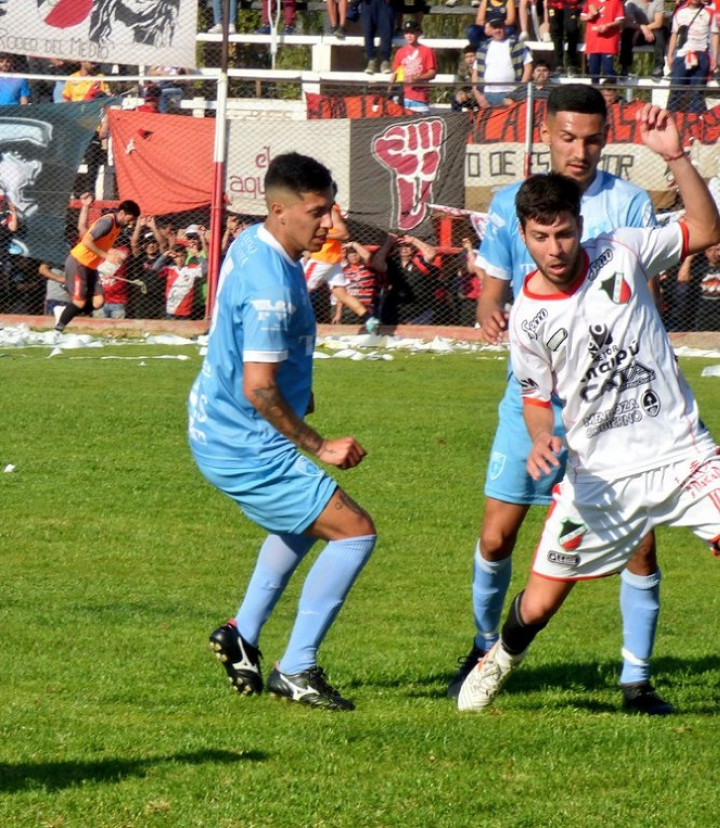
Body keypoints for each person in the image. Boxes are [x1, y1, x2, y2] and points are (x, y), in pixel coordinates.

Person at [456, 139, 720, 751]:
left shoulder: (622, 250)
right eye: (540, 238)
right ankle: (497, 662)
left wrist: (675, 159)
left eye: (564, 233)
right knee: (537, 606)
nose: (555, 248)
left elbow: (706, 228)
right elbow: (537, 398)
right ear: (524, 236)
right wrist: (542, 440)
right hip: (599, 478)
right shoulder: (527, 319)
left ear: (580, 226)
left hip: (684, 455)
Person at [451, 84, 669, 715]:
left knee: (641, 543)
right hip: (535, 402)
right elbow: (492, 287)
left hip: (617, 408)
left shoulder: (628, 204)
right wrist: (492, 314)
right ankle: (484, 648)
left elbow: (639, 291)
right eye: (569, 137)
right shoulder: (511, 204)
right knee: (496, 538)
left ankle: (637, 679)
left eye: (594, 139)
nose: (581, 150)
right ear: (545, 132)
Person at [189, 152, 377, 711]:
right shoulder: (270, 282)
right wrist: (320, 444)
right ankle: (296, 669)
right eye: (318, 212)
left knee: (302, 523)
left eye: (332, 210)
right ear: (280, 210)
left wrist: (302, 390)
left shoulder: (255, 240)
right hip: (243, 439)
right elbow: (260, 388)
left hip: (223, 425)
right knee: (355, 532)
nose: (331, 224)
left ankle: (240, 634)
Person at [55, 198, 141, 333]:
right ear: (123, 213)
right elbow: (87, 241)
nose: (131, 224)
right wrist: (106, 256)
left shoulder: (117, 226)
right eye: (131, 219)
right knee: (79, 303)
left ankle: (65, 311)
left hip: (91, 266)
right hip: (79, 262)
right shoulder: (108, 221)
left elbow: (99, 241)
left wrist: (112, 252)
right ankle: (57, 331)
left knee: (98, 302)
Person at [667, 0, 720, 113]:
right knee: (675, 91)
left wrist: (715, 57)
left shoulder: (710, 12)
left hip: (701, 55)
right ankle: (671, 120)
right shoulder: (680, 12)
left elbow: (715, 34)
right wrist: (670, 55)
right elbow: (674, 34)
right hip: (682, 55)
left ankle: (694, 123)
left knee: (697, 93)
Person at [679, 241, 720, 331]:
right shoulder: (699, 265)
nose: (713, 254)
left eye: (717, 250)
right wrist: (689, 258)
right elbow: (682, 278)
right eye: (709, 250)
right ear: (705, 252)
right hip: (703, 313)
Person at [474, 18, 533, 108]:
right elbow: (475, 73)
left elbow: (528, 67)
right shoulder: (483, 49)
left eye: (500, 27)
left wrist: (519, 91)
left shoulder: (517, 46)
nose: (497, 30)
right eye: (494, 28)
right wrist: (478, 96)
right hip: (488, 95)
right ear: (490, 29)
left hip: (511, 94)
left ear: (505, 27)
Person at [392, 20, 437, 113]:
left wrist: (418, 78)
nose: (409, 35)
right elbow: (395, 73)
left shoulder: (427, 51)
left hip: (419, 97)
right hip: (402, 96)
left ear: (418, 33)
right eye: (406, 32)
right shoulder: (400, 52)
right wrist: (391, 91)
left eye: (412, 32)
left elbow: (432, 73)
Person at [621, 0, 667, 80]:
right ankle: (625, 67)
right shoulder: (631, 2)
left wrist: (643, 29)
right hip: (639, 31)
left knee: (660, 31)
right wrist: (641, 28)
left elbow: (658, 23)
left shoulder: (658, 1)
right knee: (627, 32)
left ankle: (659, 67)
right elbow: (628, 23)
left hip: (654, 31)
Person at [581, 0, 624, 81]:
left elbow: (620, 20)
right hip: (593, 41)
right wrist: (589, 17)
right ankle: (595, 92)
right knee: (593, 71)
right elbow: (582, 16)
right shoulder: (590, 1)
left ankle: (610, 92)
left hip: (608, 41)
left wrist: (607, 26)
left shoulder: (616, 2)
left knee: (609, 71)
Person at [546, 0, 584, 77]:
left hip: (571, 4)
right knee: (555, 32)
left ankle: (571, 64)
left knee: (572, 30)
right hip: (554, 4)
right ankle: (558, 65)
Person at [362, 0, 397, 74]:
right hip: (368, 3)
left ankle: (385, 61)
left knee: (386, 31)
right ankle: (371, 60)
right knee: (368, 30)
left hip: (385, 4)